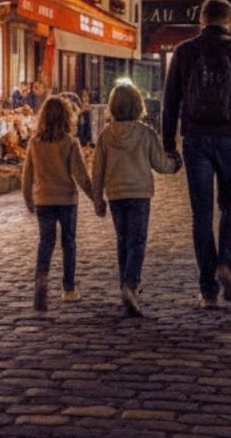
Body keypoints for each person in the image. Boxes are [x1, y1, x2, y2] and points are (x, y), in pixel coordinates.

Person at [161, 0, 231, 308]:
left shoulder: (184, 51)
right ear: (230, 20)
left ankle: (208, 289)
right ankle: (226, 265)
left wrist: (169, 144)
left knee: (201, 214)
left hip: (195, 137)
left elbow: (171, 102)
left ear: (202, 19)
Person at [91, 83, 180, 317]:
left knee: (123, 240)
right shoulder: (145, 133)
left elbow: (97, 170)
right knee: (137, 241)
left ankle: (125, 285)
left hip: (116, 194)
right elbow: (161, 164)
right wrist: (176, 164)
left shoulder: (105, 136)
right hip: (139, 193)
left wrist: (97, 198)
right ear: (138, 105)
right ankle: (131, 285)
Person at [22, 96, 92, 311]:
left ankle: (41, 282)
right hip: (67, 199)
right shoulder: (70, 142)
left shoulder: (35, 143)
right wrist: (95, 197)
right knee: (68, 244)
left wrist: (28, 199)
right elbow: (80, 174)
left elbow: (27, 175)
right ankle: (68, 288)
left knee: (46, 243)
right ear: (66, 117)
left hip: (44, 199)